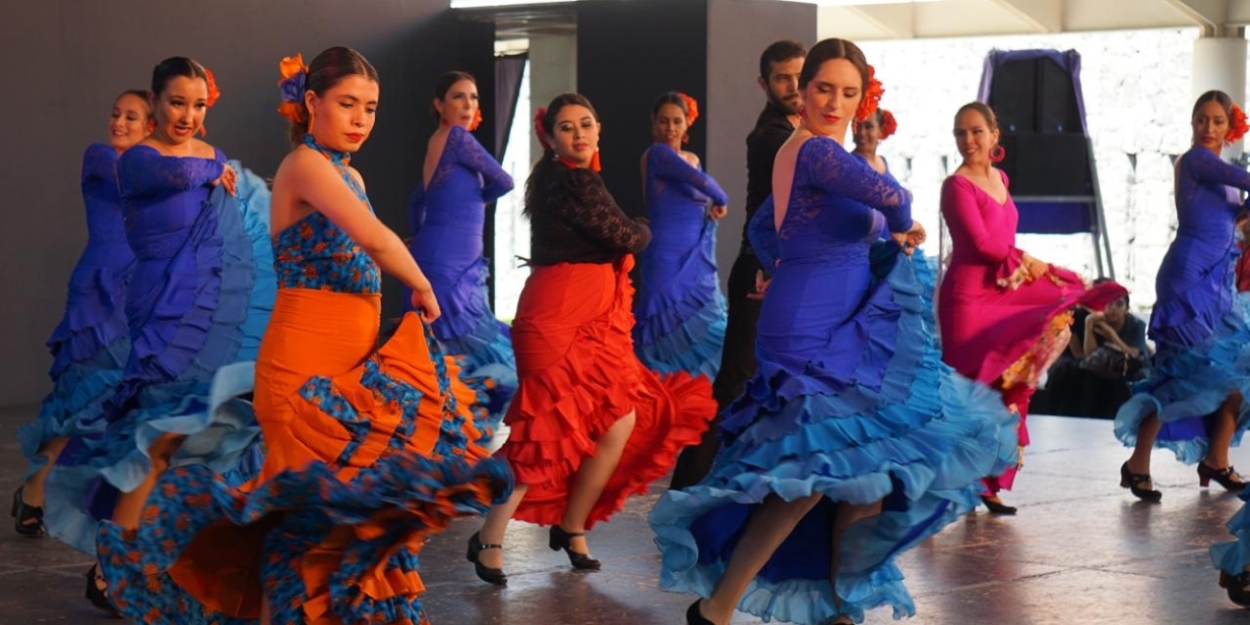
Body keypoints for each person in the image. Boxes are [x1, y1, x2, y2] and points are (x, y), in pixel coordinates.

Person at [96, 47, 512, 625]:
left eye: (370, 107)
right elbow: (376, 240)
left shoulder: (349, 171)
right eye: (347, 104)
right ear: (311, 103)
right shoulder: (306, 166)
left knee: (331, 530)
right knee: (307, 530)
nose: (361, 118)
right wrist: (425, 286)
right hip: (302, 373)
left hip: (347, 369)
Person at [650, 39, 1018, 625]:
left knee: (861, 472)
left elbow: (769, 233)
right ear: (803, 90)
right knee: (812, 477)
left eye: (850, 93)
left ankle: (840, 607)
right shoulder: (817, 152)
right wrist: (899, 225)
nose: (836, 102)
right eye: (824, 88)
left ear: (862, 96)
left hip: (832, 320)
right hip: (809, 331)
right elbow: (894, 198)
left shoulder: (806, 155)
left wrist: (810, 262)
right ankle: (719, 608)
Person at [38, 58, 276, 616]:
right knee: (155, 440)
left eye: (198, 105)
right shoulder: (139, 160)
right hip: (157, 311)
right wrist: (213, 165)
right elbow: (176, 176)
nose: (188, 115)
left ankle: (141, 563)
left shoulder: (208, 156)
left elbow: (225, 206)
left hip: (206, 309)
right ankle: (116, 568)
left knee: (188, 438)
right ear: (155, 103)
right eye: (176, 103)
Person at [467, 94, 715, 585]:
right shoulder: (571, 180)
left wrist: (635, 230)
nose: (578, 134)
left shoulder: (578, 178)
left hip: (592, 317)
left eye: (585, 125)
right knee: (545, 437)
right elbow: (626, 236)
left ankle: (572, 525)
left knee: (618, 421)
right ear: (551, 137)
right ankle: (489, 537)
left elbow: (618, 235)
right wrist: (643, 226)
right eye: (566, 127)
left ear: (598, 128)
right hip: (558, 319)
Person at [938, 101, 1126, 515]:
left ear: (994, 135)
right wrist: (1040, 267)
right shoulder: (957, 186)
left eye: (975, 132)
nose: (968, 141)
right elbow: (982, 246)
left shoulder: (1000, 178)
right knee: (972, 388)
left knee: (1008, 384)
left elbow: (1000, 241)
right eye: (960, 133)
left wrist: (1038, 271)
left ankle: (986, 483)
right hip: (968, 300)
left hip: (1003, 290)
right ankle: (940, 484)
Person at [13, 90, 151, 538]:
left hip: (138, 294)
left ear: (151, 126)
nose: (119, 122)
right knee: (80, 395)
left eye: (131, 117)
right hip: (97, 293)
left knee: (117, 400)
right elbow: (138, 181)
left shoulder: (160, 169)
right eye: (115, 114)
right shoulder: (100, 158)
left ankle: (109, 504)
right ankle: (34, 489)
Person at [670, 39, 805, 490]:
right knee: (733, 386)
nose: (793, 85)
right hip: (759, 271)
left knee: (784, 389)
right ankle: (684, 491)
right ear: (763, 83)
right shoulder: (773, 136)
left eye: (799, 76)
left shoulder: (798, 131)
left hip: (788, 272)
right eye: (782, 77)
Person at [1116, 90, 1250, 502]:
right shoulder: (1196, 161)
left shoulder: (1218, 171)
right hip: (1187, 281)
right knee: (1180, 375)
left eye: (1217, 122)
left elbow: (1234, 213)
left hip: (1218, 284)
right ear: (1192, 123)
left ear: (1229, 128)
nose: (1208, 129)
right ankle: (1137, 464)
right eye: (1201, 120)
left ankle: (1216, 457)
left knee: (1237, 369)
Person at [407, 71, 516, 426]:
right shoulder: (456, 138)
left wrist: (418, 237)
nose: (468, 104)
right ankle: (459, 443)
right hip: (452, 265)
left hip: (439, 257)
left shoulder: (434, 142)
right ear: (439, 105)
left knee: (448, 358)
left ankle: (447, 445)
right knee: (479, 357)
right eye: (458, 97)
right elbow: (504, 180)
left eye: (474, 97)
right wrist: (480, 199)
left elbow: (416, 201)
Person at [634, 91, 728, 379]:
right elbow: (708, 186)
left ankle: (693, 402)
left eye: (677, 121)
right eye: (664, 121)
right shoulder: (658, 154)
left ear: (688, 124)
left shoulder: (693, 158)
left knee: (710, 325)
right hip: (666, 256)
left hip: (695, 253)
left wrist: (713, 212)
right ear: (654, 124)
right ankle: (663, 404)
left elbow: (697, 197)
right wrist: (721, 200)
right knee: (664, 330)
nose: (671, 128)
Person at [851, 107, 897, 175]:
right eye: (857, 125)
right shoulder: (851, 164)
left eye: (868, 127)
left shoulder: (883, 161)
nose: (861, 132)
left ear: (881, 130)